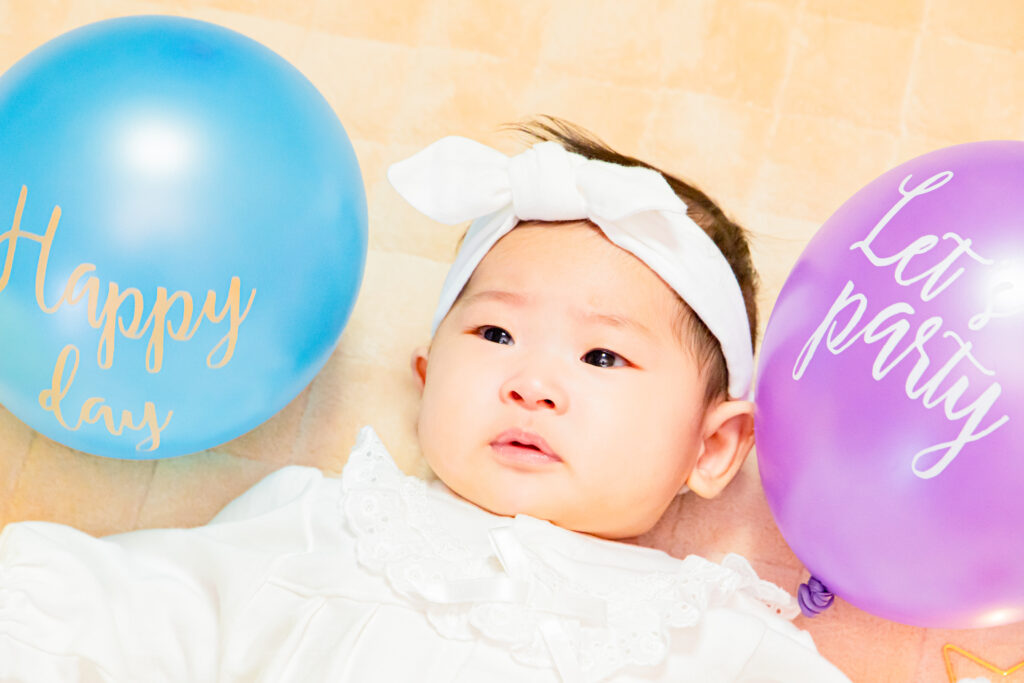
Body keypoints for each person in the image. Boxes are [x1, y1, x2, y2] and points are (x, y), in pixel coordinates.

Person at [0, 119, 850, 682]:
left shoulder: (717, 643)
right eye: (495, 334)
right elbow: (126, 613)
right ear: (427, 374)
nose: (530, 382)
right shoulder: (328, 525)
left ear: (711, 447)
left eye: (602, 355)